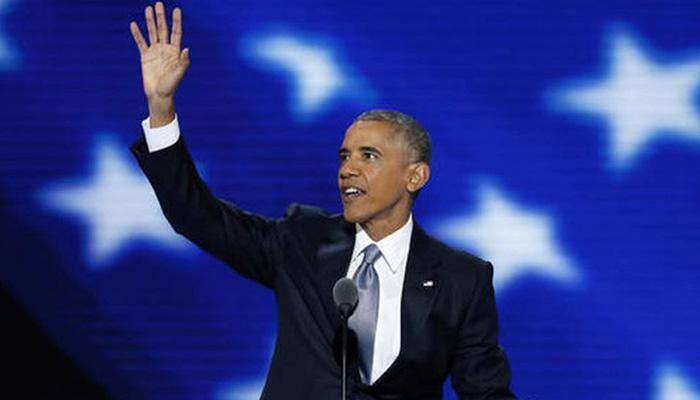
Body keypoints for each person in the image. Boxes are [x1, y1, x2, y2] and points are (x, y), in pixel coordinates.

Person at [129, 2, 516, 399]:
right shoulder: (303, 239)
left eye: (369, 156)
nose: (348, 169)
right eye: (344, 156)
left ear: (415, 176)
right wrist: (161, 108)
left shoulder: (461, 279)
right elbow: (196, 216)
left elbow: (486, 393)